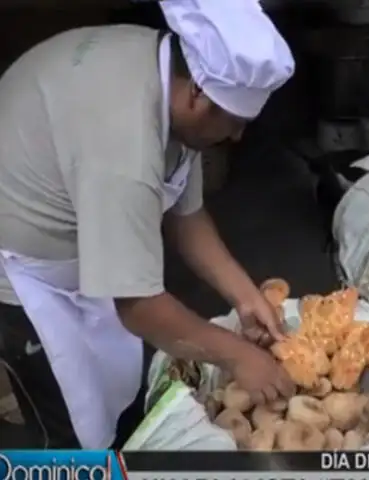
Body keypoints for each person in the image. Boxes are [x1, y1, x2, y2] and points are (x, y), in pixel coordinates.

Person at [0, 0, 296, 449]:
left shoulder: (170, 81)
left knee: (118, 392)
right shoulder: (124, 147)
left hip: (85, 221)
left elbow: (186, 214)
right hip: (21, 262)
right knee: (69, 430)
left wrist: (244, 294)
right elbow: (137, 305)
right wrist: (238, 357)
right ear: (198, 92)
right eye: (234, 122)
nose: (237, 137)